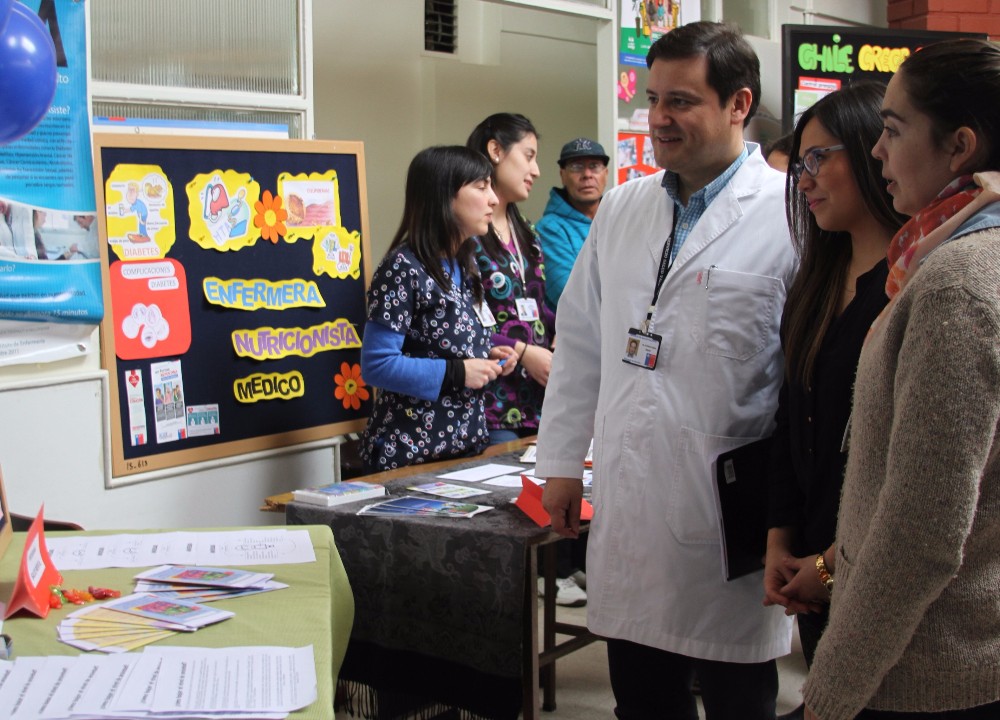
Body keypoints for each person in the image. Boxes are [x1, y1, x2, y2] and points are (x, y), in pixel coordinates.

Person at [536, 21, 797, 719]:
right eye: (653, 99)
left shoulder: (791, 214)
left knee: (741, 700)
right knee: (644, 701)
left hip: (729, 516)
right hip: (633, 505)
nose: (658, 118)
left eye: (681, 101)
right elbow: (582, 341)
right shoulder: (623, 208)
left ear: (738, 104)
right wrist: (561, 462)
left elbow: (805, 381)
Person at [794, 38, 1000, 720]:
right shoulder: (942, 257)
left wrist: (830, 692)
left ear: (959, 145)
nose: (877, 151)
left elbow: (923, 533)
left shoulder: (956, 284)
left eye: (892, 129)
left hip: (927, 667)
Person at [760, 82, 905, 720]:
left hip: (880, 567)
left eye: (821, 159)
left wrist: (833, 561)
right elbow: (795, 419)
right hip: (814, 556)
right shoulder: (817, 281)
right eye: (801, 163)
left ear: (880, 151)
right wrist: (780, 539)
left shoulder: (914, 287)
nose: (805, 179)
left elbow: (911, 467)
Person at [359, 146, 517, 472]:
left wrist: (493, 354)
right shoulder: (402, 267)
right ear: (445, 196)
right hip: (410, 456)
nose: (493, 199)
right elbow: (377, 365)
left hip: (465, 449)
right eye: (481, 186)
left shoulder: (465, 264)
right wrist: (459, 373)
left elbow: (451, 343)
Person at [465, 113, 556, 444]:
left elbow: (538, 305)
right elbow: (458, 324)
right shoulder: (465, 236)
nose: (536, 171)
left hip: (539, 398)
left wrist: (563, 334)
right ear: (496, 151)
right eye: (528, 156)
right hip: (491, 402)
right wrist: (522, 351)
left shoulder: (528, 233)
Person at [535, 136, 609, 310]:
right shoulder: (549, 229)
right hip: (577, 334)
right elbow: (572, 297)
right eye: (577, 167)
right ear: (562, 175)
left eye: (594, 166)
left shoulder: (619, 220)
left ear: (605, 173)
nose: (587, 175)